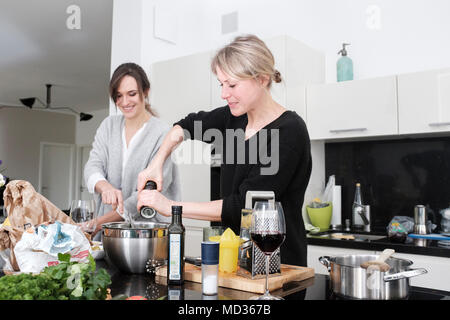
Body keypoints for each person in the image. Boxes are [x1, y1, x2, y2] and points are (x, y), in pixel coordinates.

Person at [136, 35, 311, 266]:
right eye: (221, 84)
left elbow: (244, 207)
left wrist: (170, 207)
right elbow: (185, 126)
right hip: (234, 260)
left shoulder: (289, 131)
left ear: (262, 78)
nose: (224, 94)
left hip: (277, 264)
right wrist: (155, 164)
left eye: (232, 85)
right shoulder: (233, 119)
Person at [84, 62, 181, 239]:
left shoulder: (162, 134)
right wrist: (105, 187)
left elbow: (146, 196)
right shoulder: (108, 126)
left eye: (132, 94)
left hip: (148, 237)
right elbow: (92, 166)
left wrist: (100, 223)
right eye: (118, 96)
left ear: (146, 91)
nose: (125, 102)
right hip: (108, 234)